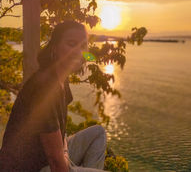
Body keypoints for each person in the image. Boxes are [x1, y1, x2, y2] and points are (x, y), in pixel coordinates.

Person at [0, 20, 110, 172]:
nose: (79, 52)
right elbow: (56, 162)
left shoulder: (61, 79)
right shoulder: (44, 87)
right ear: (55, 47)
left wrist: (64, 151)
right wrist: (64, 156)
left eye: (83, 46)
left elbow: (61, 133)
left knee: (98, 133)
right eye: (71, 44)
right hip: (31, 167)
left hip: (50, 156)